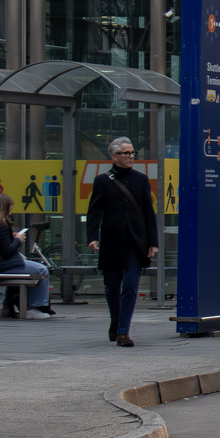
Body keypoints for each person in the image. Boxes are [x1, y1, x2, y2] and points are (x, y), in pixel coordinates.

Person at [87, 137, 159, 346]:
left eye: (132, 153)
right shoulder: (102, 181)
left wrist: (153, 242)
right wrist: (92, 237)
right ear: (114, 156)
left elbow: (148, 212)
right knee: (111, 288)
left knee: (130, 286)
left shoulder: (140, 179)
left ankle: (123, 332)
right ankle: (116, 322)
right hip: (111, 241)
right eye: (126, 153)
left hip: (136, 242)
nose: (130, 157)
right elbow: (94, 212)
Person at [0, 193, 55, 319]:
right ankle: (32, 308)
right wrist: (18, 239)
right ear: (5, 208)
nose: (10, 213)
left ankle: (6, 307)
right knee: (42, 270)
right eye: (10, 209)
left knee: (26, 267)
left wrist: (10, 237)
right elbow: (7, 252)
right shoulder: (1, 225)